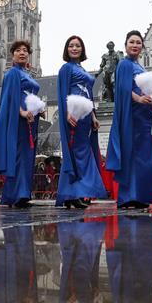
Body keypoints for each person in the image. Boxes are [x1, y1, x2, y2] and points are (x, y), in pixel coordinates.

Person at [0, 41, 43, 208]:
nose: (22, 53)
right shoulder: (12, 73)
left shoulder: (27, 74)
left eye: (25, 50)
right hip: (19, 121)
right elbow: (11, 97)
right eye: (18, 50)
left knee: (27, 157)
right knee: (18, 156)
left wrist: (39, 108)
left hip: (31, 122)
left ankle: (21, 193)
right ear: (12, 55)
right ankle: (17, 194)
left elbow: (29, 95)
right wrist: (22, 112)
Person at [105, 30, 152, 209]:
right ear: (125, 45)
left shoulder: (140, 67)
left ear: (142, 46)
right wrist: (139, 99)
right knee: (132, 155)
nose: (135, 45)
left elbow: (140, 88)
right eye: (131, 42)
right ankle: (129, 196)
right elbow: (123, 89)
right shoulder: (125, 65)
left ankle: (139, 194)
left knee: (143, 156)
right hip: (132, 116)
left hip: (144, 118)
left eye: (138, 43)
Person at [56, 36, 108, 208]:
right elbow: (62, 93)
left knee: (84, 153)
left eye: (78, 46)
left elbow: (89, 95)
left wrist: (93, 116)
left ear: (82, 49)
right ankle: (74, 193)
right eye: (71, 45)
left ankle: (75, 193)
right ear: (66, 49)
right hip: (74, 114)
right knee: (76, 153)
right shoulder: (66, 68)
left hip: (86, 117)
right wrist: (67, 112)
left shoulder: (82, 69)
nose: (74, 48)